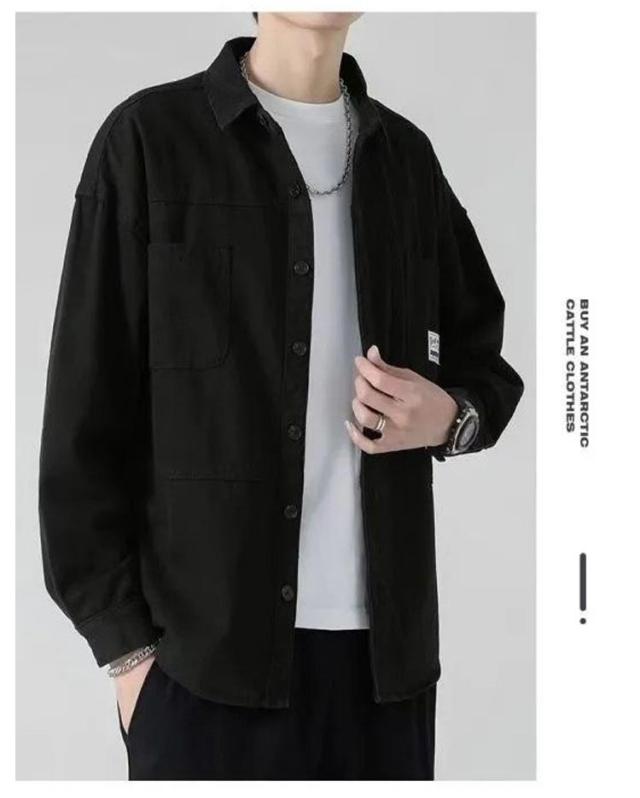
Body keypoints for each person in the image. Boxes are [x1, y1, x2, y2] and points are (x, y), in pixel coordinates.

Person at [38, 12, 524, 780]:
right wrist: (128, 657)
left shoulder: (405, 160)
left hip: (385, 679)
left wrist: (450, 419)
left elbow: (482, 366)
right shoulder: (149, 142)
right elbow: (82, 418)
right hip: (203, 673)